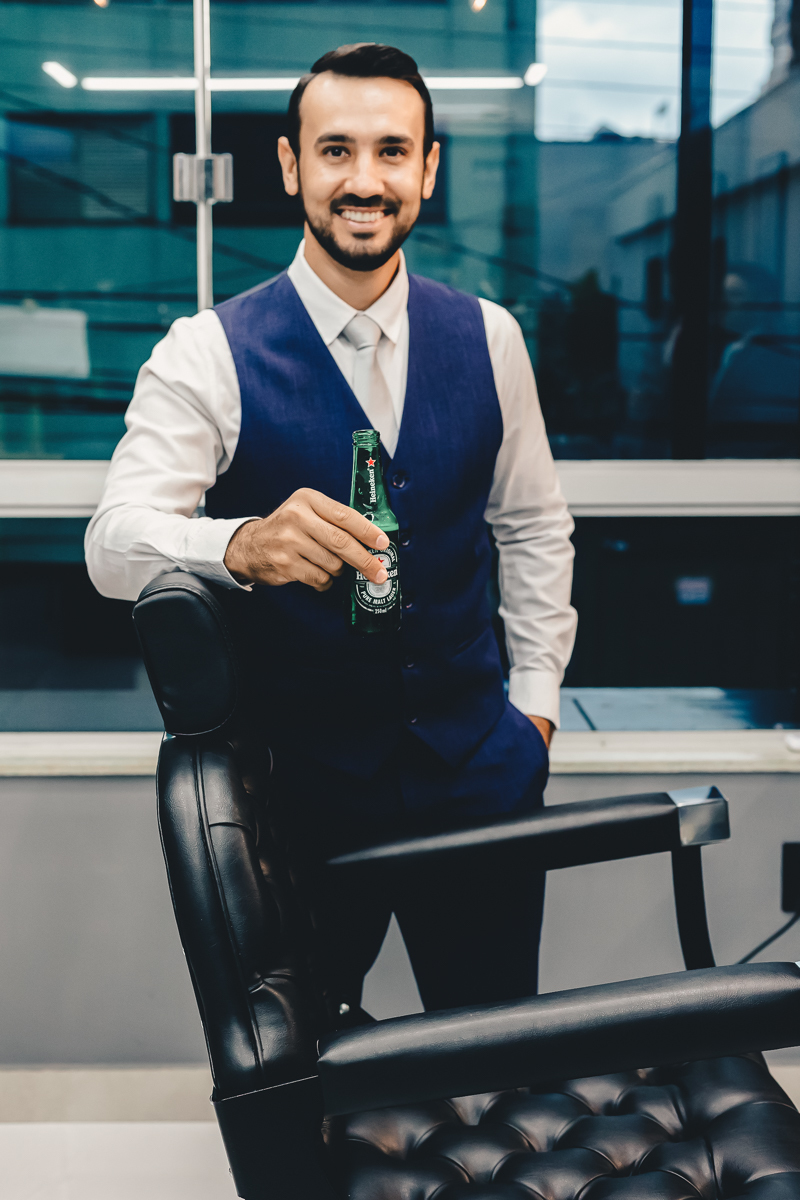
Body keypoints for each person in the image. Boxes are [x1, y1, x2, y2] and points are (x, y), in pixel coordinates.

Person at [86, 42, 577, 1028]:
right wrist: (238, 546)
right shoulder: (207, 352)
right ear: (289, 166)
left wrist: (532, 712)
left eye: (392, 152)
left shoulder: (489, 336)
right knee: (306, 1061)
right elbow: (114, 541)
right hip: (300, 790)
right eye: (336, 150)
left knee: (490, 1045)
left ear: (427, 169)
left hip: (477, 769)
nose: (364, 180)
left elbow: (530, 528)